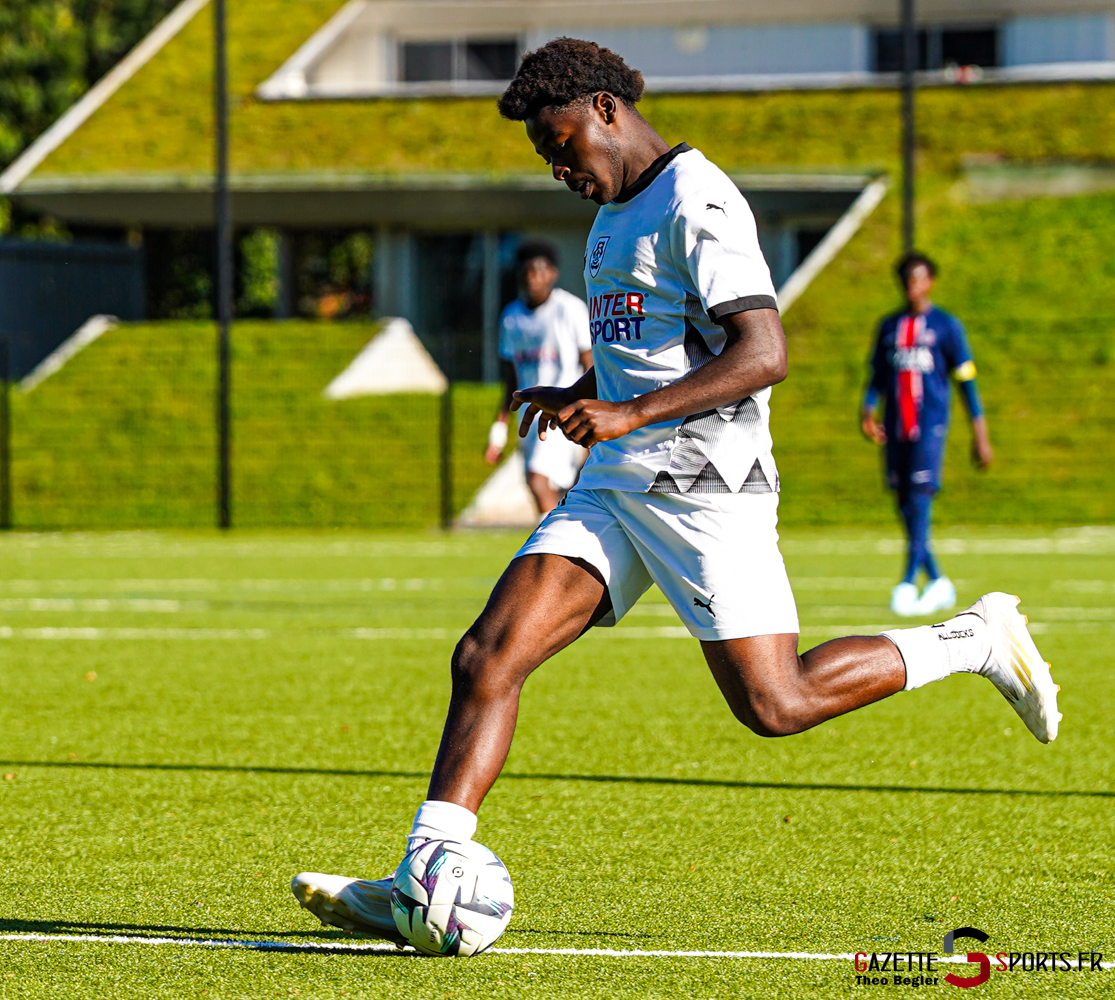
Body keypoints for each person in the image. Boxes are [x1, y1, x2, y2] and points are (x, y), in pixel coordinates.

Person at [291, 38, 1058, 941]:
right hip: (619, 484)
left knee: (777, 705)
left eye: (561, 144)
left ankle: (971, 639)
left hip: (707, 485)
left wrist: (630, 412)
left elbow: (763, 353)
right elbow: (652, 347)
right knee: (486, 657)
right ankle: (424, 871)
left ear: (605, 109)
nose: (557, 168)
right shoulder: (615, 209)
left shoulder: (699, 200)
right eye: (546, 156)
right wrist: (585, 395)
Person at [862, 253, 992, 618]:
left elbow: (966, 381)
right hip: (895, 428)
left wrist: (980, 434)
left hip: (929, 426)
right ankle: (937, 580)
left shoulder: (946, 326)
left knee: (919, 498)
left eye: (918, 279)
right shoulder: (889, 327)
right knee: (904, 502)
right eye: (906, 280)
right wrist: (867, 410)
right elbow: (876, 376)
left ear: (930, 281)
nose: (911, 286)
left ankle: (906, 582)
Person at [485, 241, 593, 513]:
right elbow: (512, 379)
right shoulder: (511, 317)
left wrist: (592, 412)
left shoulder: (569, 309)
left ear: (552, 273)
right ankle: (562, 544)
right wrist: (498, 431)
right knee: (546, 488)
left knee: (538, 481)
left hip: (563, 410)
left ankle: (550, 547)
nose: (532, 277)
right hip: (530, 418)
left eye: (539, 270)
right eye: (526, 271)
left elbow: (590, 364)